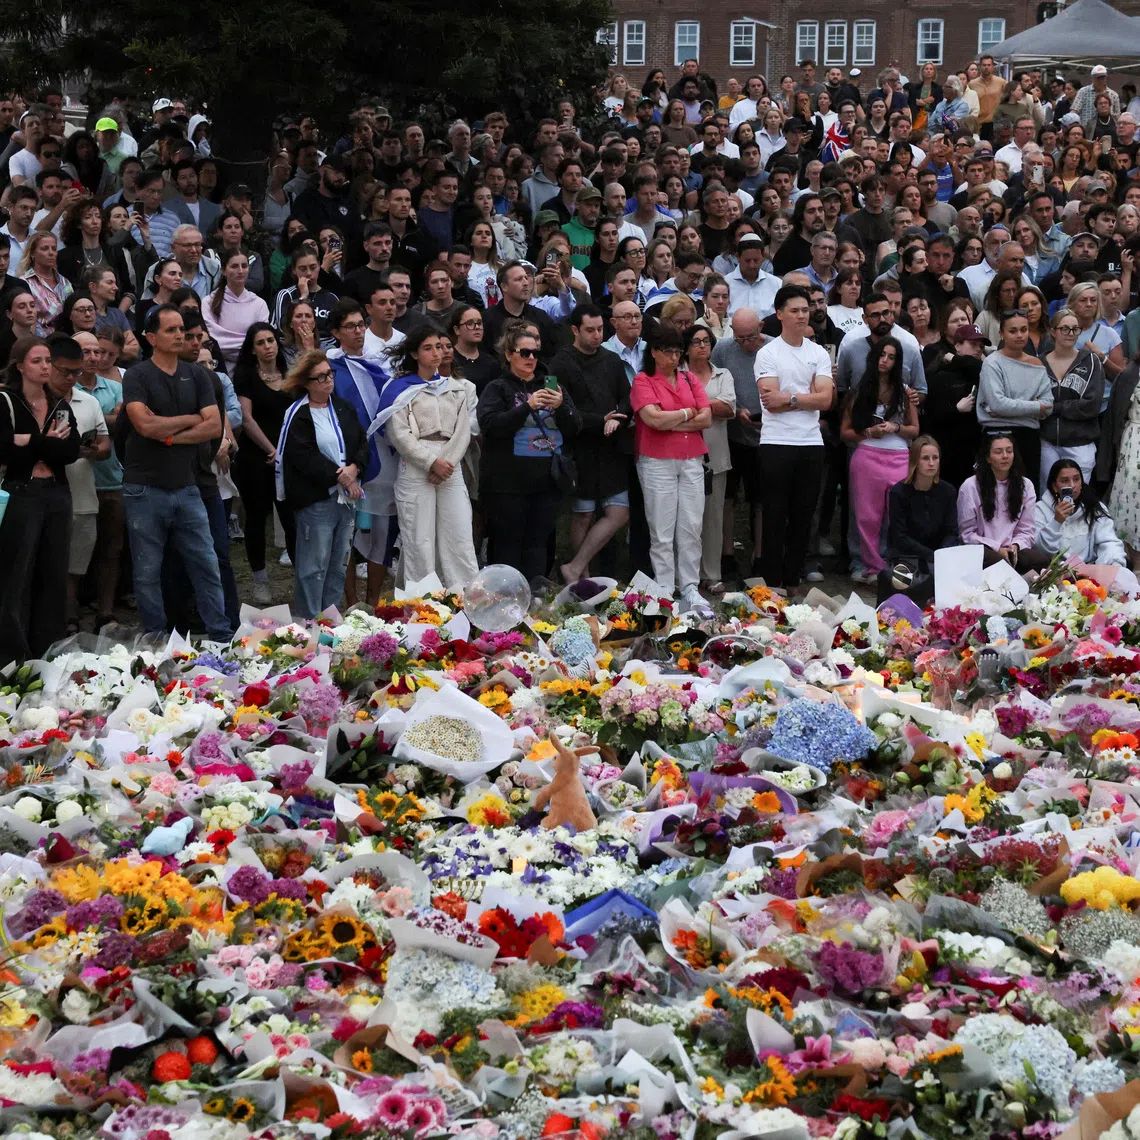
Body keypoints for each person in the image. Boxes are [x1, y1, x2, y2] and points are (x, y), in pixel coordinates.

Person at [118, 305, 232, 639]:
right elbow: (142, 424)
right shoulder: (138, 376)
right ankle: (155, 638)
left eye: (181, 328)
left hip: (186, 485)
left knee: (206, 564)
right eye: (171, 330)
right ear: (151, 337)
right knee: (147, 570)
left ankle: (220, 637)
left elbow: (213, 427)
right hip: (144, 487)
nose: (180, 335)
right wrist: (188, 420)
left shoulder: (197, 374)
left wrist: (166, 433)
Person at [477, 323, 579, 584]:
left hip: (546, 483)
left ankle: (536, 603)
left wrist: (560, 408)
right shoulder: (497, 388)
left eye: (535, 353)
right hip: (507, 484)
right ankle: (503, 601)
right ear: (509, 354)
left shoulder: (552, 385)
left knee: (538, 545)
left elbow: (575, 427)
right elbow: (491, 426)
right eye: (524, 353)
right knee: (507, 546)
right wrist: (527, 407)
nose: (531, 358)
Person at [0, 336, 79, 663]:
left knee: (53, 575)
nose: (45, 366)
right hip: (22, 493)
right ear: (20, 365)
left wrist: (29, 442)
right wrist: (43, 442)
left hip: (57, 494)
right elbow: (4, 448)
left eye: (48, 360)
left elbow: (70, 451)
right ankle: (13, 661)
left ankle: (47, 656)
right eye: (37, 361)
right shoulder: (6, 401)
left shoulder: (59, 403)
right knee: (17, 577)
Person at [383, 325, 478, 591]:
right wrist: (429, 462)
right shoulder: (400, 389)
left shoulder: (456, 389)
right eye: (428, 348)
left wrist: (444, 463)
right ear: (414, 353)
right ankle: (422, 604)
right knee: (419, 539)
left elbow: (462, 432)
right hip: (416, 468)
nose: (437, 353)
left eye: (439, 346)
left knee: (459, 536)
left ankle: (465, 599)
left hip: (450, 466)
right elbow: (398, 433)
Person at [753, 285, 835, 590]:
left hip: (810, 443)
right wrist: (806, 396)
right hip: (776, 443)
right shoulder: (768, 353)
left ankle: (793, 579)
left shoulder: (817, 353)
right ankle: (772, 582)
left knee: (803, 516)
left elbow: (826, 399)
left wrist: (793, 399)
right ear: (779, 314)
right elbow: (770, 400)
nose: (802, 315)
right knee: (775, 515)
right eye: (795, 310)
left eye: (805, 309)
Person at [276, 350, 369, 618]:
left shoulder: (343, 407)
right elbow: (303, 455)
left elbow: (362, 443)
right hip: (317, 499)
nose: (329, 380)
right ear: (306, 383)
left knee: (338, 564)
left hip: (346, 498)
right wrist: (340, 476)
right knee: (313, 566)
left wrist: (354, 468)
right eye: (321, 377)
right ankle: (307, 623)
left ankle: (328, 620)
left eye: (330, 374)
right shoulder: (299, 415)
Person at [629, 324, 711, 609]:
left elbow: (707, 418)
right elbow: (653, 420)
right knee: (662, 529)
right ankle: (664, 586)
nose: (674, 357)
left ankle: (689, 585)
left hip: (691, 458)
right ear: (653, 352)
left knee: (691, 525)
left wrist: (672, 419)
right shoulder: (642, 380)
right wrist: (688, 413)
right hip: (656, 460)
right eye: (668, 351)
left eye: (678, 351)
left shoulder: (689, 378)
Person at [550, 304, 631, 584]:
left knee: (619, 512)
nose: (597, 335)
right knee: (582, 514)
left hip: (611, 447)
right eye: (590, 330)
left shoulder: (611, 359)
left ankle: (575, 566)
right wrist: (600, 420)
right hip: (580, 447)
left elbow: (627, 398)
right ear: (575, 330)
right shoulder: (560, 363)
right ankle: (582, 580)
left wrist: (616, 419)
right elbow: (559, 408)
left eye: (600, 329)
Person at [43, 335, 110, 633]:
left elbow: (104, 442)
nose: (71, 379)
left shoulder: (90, 402)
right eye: (65, 372)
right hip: (42, 495)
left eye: (76, 373)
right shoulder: (33, 401)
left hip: (82, 493)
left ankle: (70, 620)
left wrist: (95, 450)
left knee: (75, 565)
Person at [841, 337, 920, 581]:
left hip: (897, 456)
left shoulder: (905, 392)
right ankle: (867, 566)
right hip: (867, 456)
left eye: (891, 357)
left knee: (893, 514)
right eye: (881, 355)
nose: (885, 361)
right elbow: (844, 432)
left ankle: (890, 566)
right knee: (866, 515)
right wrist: (868, 432)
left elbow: (915, 429)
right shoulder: (859, 391)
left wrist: (895, 427)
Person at [231, 322, 297, 604]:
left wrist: (286, 452)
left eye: (271, 340)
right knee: (257, 520)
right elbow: (246, 419)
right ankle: (260, 580)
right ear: (253, 348)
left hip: (289, 458)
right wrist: (272, 449)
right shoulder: (246, 376)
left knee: (292, 520)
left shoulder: (290, 375)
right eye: (261, 342)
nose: (268, 346)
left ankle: (301, 577)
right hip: (256, 458)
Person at [684, 324, 736, 592]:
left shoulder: (723, 373)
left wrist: (694, 402)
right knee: (685, 518)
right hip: (682, 456)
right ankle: (686, 575)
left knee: (713, 517)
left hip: (715, 456)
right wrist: (707, 404)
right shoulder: (677, 373)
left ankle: (711, 574)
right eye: (696, 341)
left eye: (706, 341)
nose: (702, 346)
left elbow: (728, 408)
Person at [977, 308, 1052, 490]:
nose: (1019, 335)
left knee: (1027, 494)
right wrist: (1034, 406)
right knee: (996, 493)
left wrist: (1007, 408)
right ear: (1001, 333)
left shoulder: (1037, 364)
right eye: (1013, 331)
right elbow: (997, 403)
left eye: (1024, 330)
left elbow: (1048, 405)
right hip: (998, 435)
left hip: (1029, 438)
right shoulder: (992, 363)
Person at [881, 435, 959, 603]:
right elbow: (900, 537)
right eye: (925, 458)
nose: (931, 463)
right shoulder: (899, 492)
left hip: (939, 554)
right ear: (915, 461)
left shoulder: (948, 491)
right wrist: (932, 556)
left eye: (935, 458)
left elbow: (952, 531)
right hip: (906, 555)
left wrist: (942, 555)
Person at [1039, 307, 1105, 487]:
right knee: (1048, 496)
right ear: (1053, 331)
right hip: (1048, 442)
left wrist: (1055, 408)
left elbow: (1091, 405)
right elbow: (1035, 403)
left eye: (1075, 329)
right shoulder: (1039, 363)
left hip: (1080, 443)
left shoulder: (1091, 362)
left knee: (1077, 499)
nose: (1071, 333)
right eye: (1065, 329)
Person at [957, 433, 1042, 569]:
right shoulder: (970, 486)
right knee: (997, 562)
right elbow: (967, 534)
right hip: (982, 550)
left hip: (1014, 549)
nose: (1005, 456)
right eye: (998, 452)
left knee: (1043, 560)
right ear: (988, 458)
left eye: (1009, 451)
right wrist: (997, 548)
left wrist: (1015, 546)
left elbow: (1027, 530)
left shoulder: (1025, 485)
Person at [1035, 458, 1126, 568]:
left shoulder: (1095, 507)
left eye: (1076, 479)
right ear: (1054, 486)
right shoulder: (1040, 510)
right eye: (1065, 481)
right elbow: (1041, 551)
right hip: (1055, 573)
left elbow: (1109, 542)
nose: (1072, 485)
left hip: (1091, 571)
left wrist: (1113, 565)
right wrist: (1057, 521)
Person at [203, 248, 270, 373]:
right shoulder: (208, 302)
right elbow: (213, 341)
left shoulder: (259, 304)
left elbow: (262, 341)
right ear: (223, 270)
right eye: (234, 266)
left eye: (244, 266)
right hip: (218, 370)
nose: (240, 271)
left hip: (251, 372)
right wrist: (249, 346)